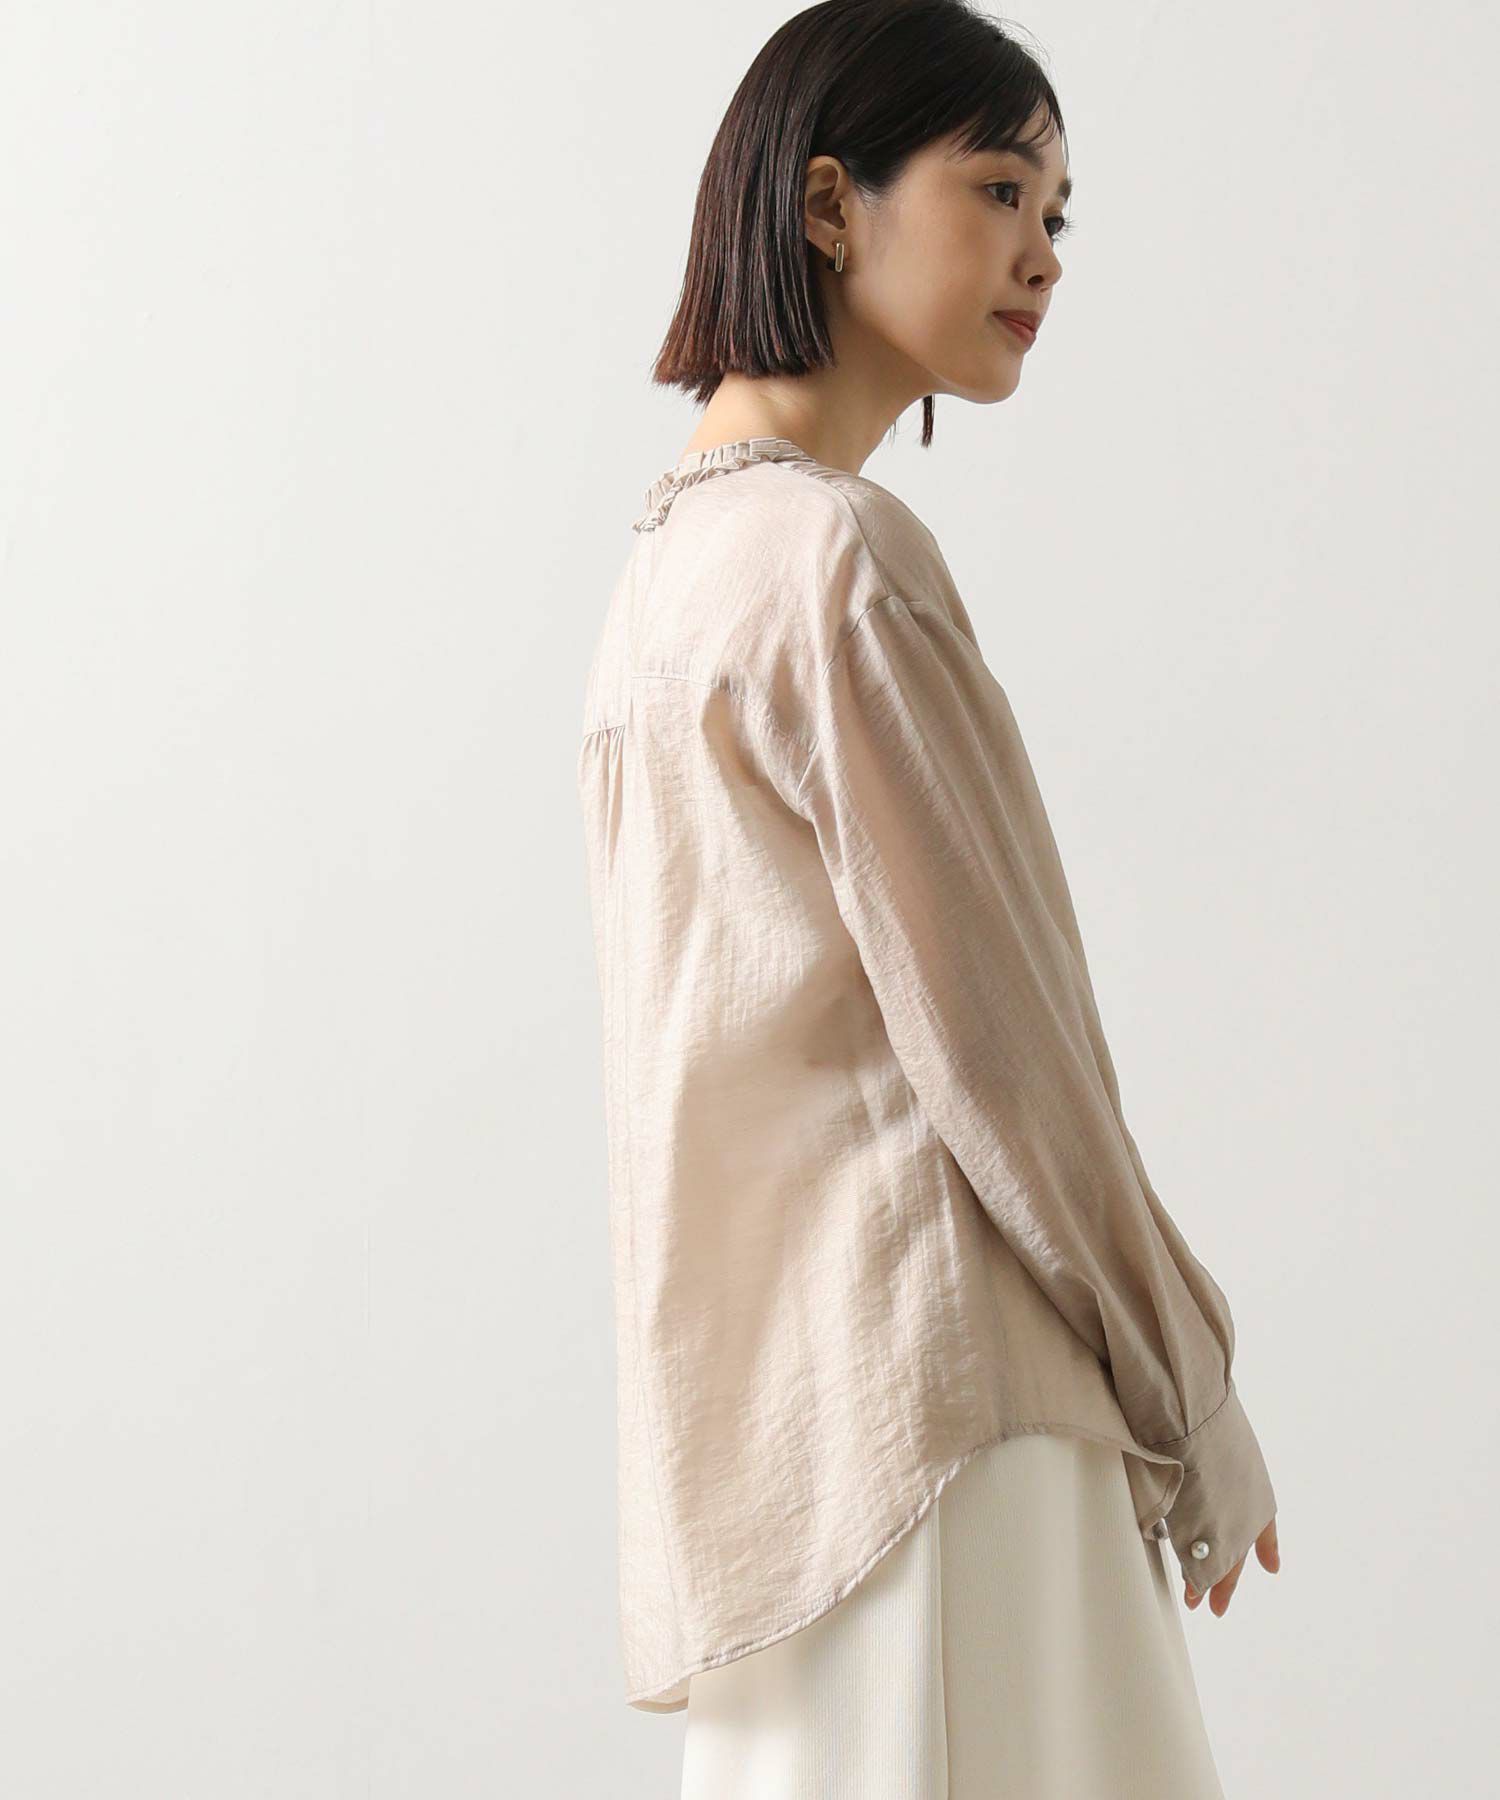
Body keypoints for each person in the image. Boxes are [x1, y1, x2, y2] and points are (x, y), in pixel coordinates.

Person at [576, 2, 1281, 1793]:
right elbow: (1002, 1046)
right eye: (999, 190)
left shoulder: (663, 584)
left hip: (783, 1470)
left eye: (1060, 212)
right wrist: (1188, 1386)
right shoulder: (835, 560)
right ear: (830, 204)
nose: (1044, 255)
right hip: (951, 1425)